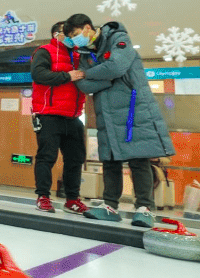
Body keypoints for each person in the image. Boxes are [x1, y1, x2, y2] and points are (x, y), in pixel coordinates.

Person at [64, 14, 175, 228]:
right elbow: (85, 86)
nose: (76, 40)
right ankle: (110, 207)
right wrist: (109, 77)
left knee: (139, 158)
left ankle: (144, 208)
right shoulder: (86, 55)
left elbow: (116, 66)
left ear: (88, 27)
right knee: (110, 160)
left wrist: (92, 75)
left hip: (132, 109)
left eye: (77, 34)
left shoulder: (118, 39)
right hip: (106, 113)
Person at [30, 21, 89, 215]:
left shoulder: (79, 55)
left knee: (76, 159)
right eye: (69, 32)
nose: (74, 36)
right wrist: (67, 76)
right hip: (48, 114)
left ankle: (72, 199)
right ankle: (43, 197)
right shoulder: (44, 51)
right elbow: (38, 75)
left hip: (73, 117)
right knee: (47, 157)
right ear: (57, 34)